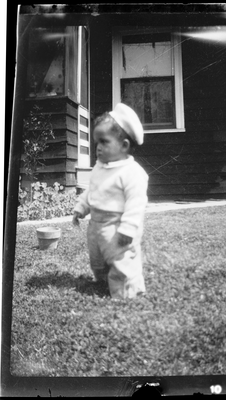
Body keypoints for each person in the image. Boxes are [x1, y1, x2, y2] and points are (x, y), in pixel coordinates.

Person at [72, 103, 149, 299]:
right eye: (96, 142)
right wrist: (82, 207)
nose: (98, 147)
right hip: (96, 225)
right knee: (98, 259)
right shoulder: (100, 167)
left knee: (120, 258)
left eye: (104, 142)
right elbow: (94, 190)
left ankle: (126, 291)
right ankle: (103, 282)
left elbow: (136, 202)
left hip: (117, 225)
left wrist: (128, 228)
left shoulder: (131, 172)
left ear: (124, 145)